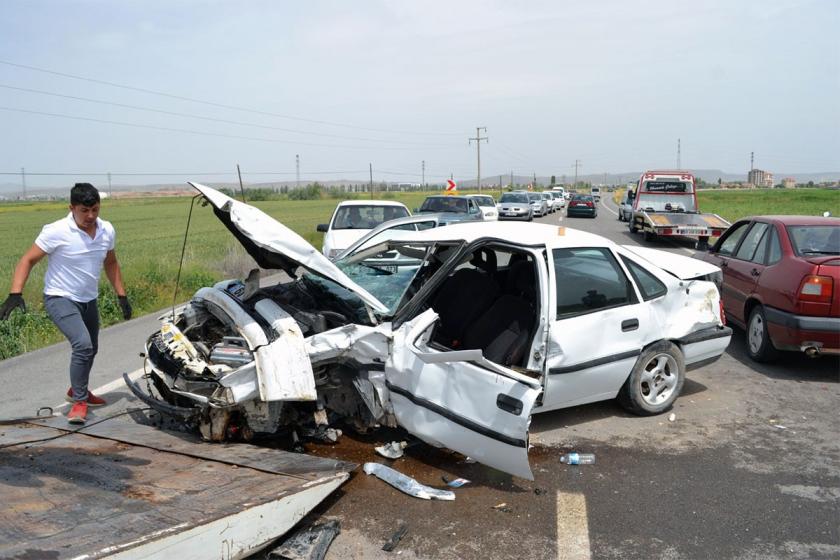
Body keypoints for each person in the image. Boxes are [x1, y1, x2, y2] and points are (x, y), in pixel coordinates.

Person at [0, 183, 131, 424]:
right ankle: (79, 402)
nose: (90, 216)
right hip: (60, 298)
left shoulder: (106, 230)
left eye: (95, 210)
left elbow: (111, 263)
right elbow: (27, 260)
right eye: (84, 210)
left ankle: (76, 389)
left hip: (88, 300)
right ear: (71, 208)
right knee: (82, 345)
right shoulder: (56, 231)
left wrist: (121, 296)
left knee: (92, 347)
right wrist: (15, 293)